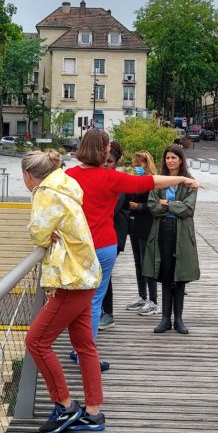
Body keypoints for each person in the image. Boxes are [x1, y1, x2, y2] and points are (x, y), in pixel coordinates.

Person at [67, 129, 200, 364]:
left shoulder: (68, 176)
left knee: (76, 300)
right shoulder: (110, 177)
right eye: (107, 148)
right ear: (102, 150)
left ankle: (78, 349)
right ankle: (85, 355)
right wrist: (181, 179)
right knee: (94, 301)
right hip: (104, 245)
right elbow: (148, 182)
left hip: (76, 246)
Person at [21, 150, 106, 433]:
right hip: (86, 274)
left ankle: (64, 405)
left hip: (70, 279)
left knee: (36, 342)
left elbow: (38, 233)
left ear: (28, 176)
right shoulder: (67, 185)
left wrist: (47, 236)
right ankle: (93, 412)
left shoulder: (45, 192)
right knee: (85, 346)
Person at [144, 144, 200, 334]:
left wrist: (167, 203)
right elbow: (153, 207)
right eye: (167, 157)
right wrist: (175, 206)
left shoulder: (189, 182)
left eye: (173, 157)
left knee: (180, 274)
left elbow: (188, 210)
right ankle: (165, 318)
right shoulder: (159, 180)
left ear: (180, 160)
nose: (170, 161)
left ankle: (179, 319)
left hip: (182, 232)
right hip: (162, 230)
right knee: (166, 273)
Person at [123, 150, 159, 316]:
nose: (137, 167)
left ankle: (153, 300)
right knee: (138, 262)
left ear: (146, 163)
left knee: (147, 263)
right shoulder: (135, 180)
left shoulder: (152, 180)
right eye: (135, 164)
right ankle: (142, 296)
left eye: (139, 164)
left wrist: (140, 207)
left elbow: (156, 204)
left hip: (147, 224)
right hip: (134, 225)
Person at [99, 141, 126, 331]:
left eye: (110, 161)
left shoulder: (117, 181)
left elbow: (113, 209)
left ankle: (107, 314)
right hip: (104, 235)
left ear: (116, 163)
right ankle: (102, 312)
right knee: (102, 275)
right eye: (104, 160)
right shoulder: (103, 178)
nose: (106, 164)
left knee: (104, 275)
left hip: (114, 235)